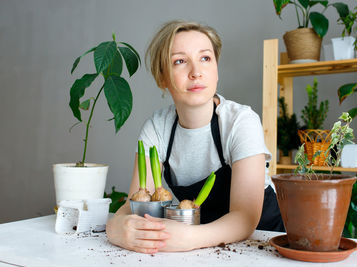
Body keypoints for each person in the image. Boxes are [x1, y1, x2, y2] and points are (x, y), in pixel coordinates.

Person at [106, 20, 284, 254]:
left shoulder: (241, 122)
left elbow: (244, 217)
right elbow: (136, 205)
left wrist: (189, 238)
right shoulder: (157, 128)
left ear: (216, 69)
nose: (196, 72)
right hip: (203, 249)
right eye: (180, 61)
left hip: (259, 246)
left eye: (205, 58)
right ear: (162, 78)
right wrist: (116, 228)